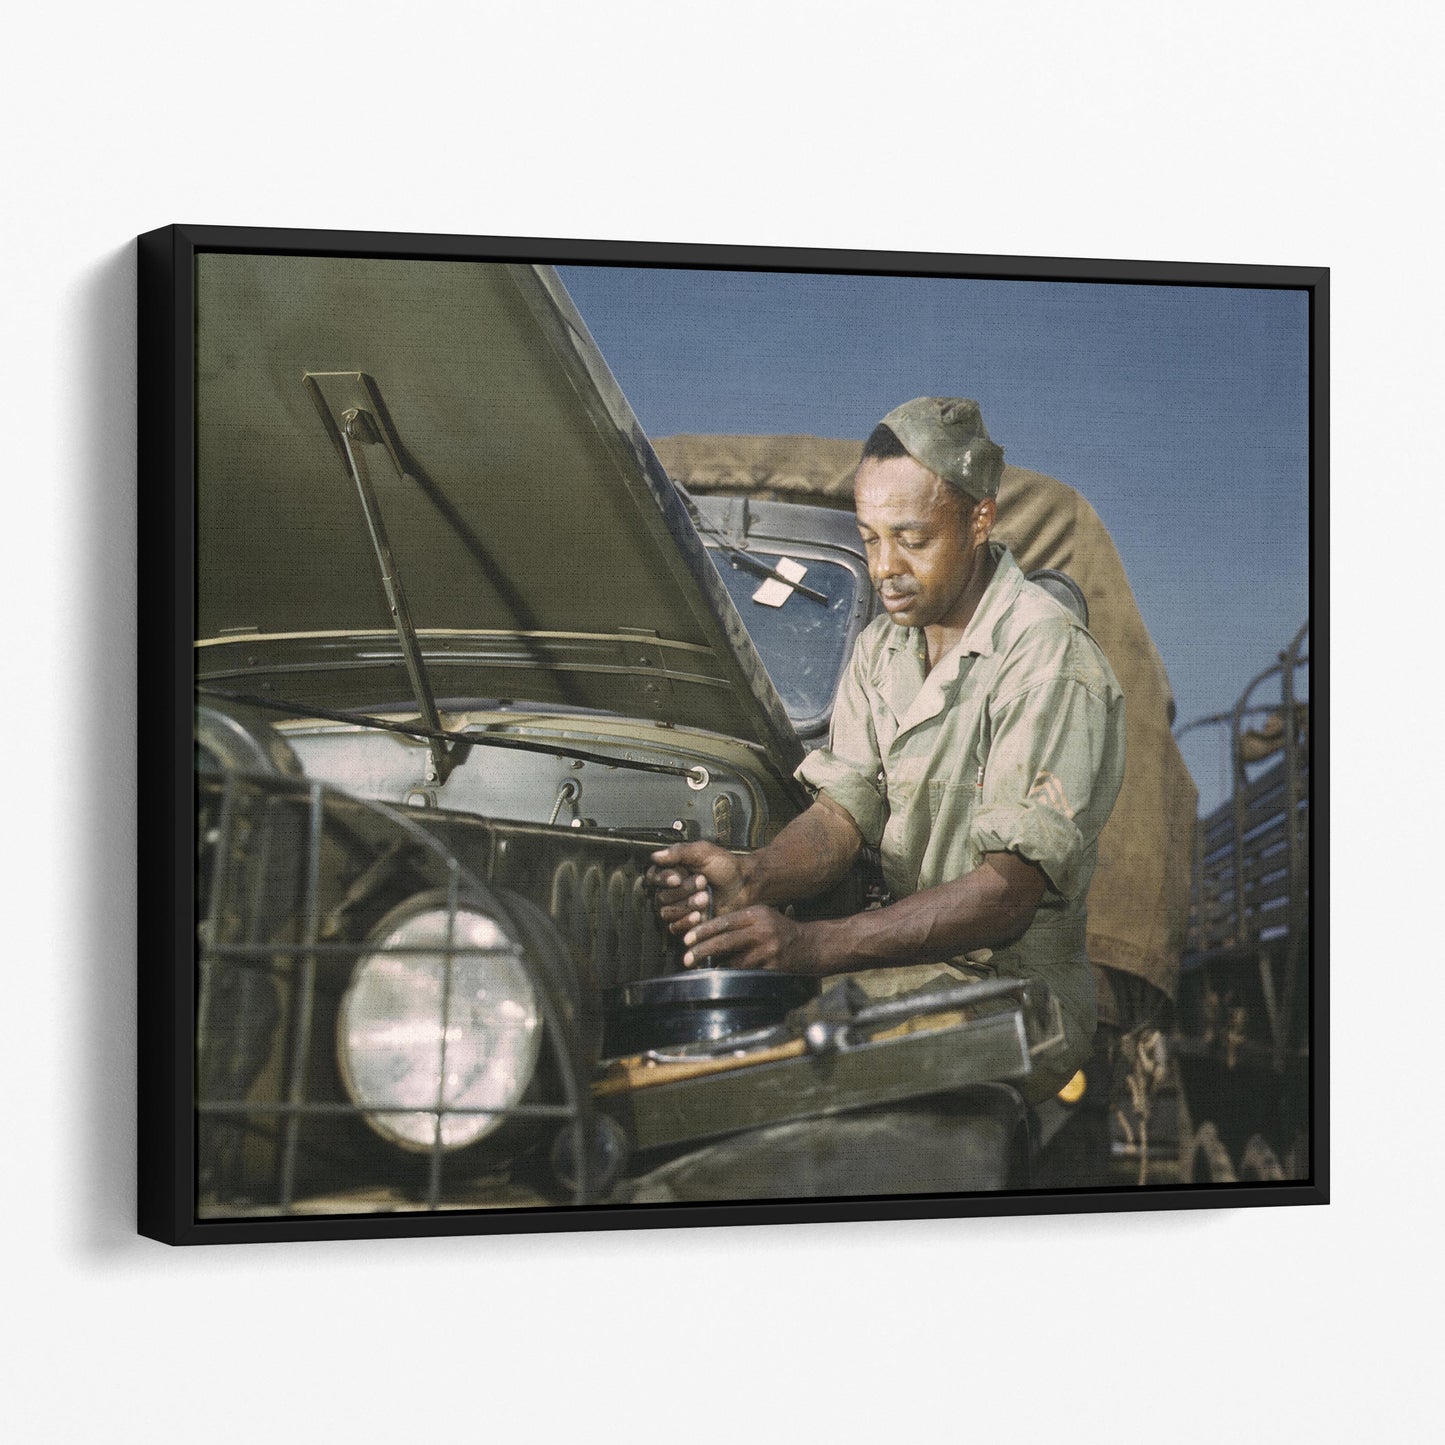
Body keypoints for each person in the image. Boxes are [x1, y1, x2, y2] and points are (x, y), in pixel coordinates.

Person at [648, 397, 1126, 1101]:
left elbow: (1007, 894)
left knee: (768, 1088)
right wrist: (754, 874)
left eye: (911, 537)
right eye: (869, 538)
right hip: (906, 974)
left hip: (1016, 998)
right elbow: (844, 812)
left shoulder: (1046, 659)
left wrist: (811, 946)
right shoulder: (882, 648)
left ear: (979, 520)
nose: (883, 568)